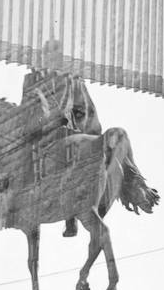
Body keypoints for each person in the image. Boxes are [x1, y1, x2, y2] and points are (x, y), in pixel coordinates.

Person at [19, 39, 102, 237]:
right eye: (48, 54)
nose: (52, 58)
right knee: (18, 154)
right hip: (37, 127)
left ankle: (70, 214)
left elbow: (85, 107)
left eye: (56, 55)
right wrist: (38, 120)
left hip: (65, 126)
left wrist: (84, 127)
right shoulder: (31, 79)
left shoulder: (72, 78)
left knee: (67, 146)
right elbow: (24, 109)